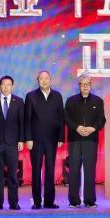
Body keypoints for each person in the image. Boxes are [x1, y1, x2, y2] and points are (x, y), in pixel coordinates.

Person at [64, 73, 106, 208]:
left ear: (91, 85)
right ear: (79, 86)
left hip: (91, 140)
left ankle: (90, 201)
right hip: (75, 140)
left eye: (87, 84)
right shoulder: (71, 101)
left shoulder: (98, 101)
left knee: (90, 170)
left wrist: (92, 128)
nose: (85, 86)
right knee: (74, 170)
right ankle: (74, 201)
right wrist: (77, 127)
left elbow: (101, 120)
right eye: (82, 84)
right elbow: (67, 118)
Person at [25, 71, 64, 210]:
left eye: (46, 78)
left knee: (50, 170)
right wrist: (28, 138)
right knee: (36, 170)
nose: (44, 81)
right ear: (38, 80)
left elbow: (61, 118)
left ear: (50, 80)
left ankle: (49, 201)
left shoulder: (57, 96)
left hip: (52, 139)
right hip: (35, 140)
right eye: (41, 78)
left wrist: (61, 137)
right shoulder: (31, 96)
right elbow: (27, 119)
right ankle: (36, 202)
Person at [0, 75, 25, 210]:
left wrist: (21, 140)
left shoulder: (19, 101)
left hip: (12, 143)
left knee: (13, 175)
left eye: (9, 85)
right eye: (3, 84)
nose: (6, 87)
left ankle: (14, 202)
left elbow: (21, 123)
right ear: (0, 86)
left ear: (12, 86)